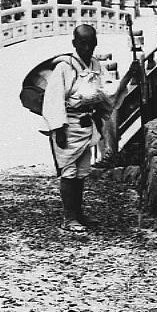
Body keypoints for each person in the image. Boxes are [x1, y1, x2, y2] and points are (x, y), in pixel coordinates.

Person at [39, 23, 117, 234]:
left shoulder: (94, 65)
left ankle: (78, 213)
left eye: (91, 44)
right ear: (74, 43)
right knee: (69, 171)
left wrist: (101, 110)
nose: (87, 48)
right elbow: (53, 99)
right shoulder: (64, 67)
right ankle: (69, 217)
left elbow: (104, 90)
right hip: (68, 123)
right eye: (82, 44)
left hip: (86, 122)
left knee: (81, 172)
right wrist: (59, 128)